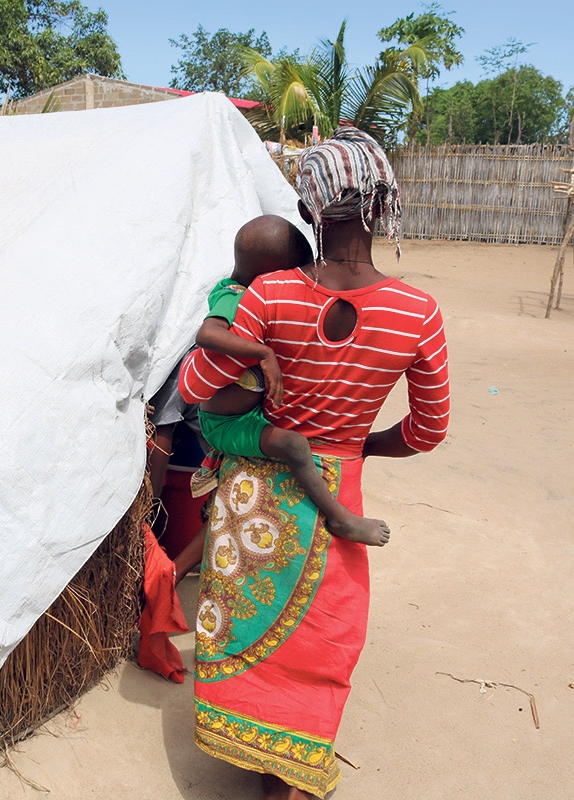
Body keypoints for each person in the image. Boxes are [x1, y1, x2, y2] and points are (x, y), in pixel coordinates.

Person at [178, 126, 450, 800]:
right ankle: (291, 773)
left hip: (253, 502)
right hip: (338, 493)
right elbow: (428, 431)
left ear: (309, 210)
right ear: (384, 204)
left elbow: (196, 390)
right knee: (321, 640)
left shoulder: (268, 295)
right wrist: (359, 445)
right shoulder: (419, 314)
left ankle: (257, 748)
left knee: (247, 623)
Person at [192, 214, 391, 548]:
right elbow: (207, 334)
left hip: (248, 410)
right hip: (224, 422)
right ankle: (338, 516)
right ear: (271, 276)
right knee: (293, 444)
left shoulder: (257, 296)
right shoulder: (231, 295)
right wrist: (264, 354)